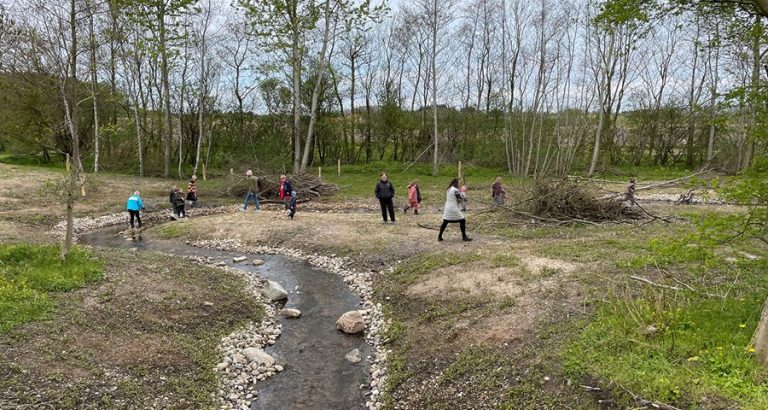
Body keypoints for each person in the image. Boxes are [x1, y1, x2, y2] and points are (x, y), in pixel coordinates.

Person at [438, 178, 471, 242]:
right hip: (453, 208)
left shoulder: (449, 189)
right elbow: (459, 200)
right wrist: (464, 199)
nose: (459, 184)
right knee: (462, 220)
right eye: (459, 183)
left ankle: (439, 236)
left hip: (447, 208)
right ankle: (464, 236)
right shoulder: (455, 190)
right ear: (456, 183)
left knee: (445, 221)